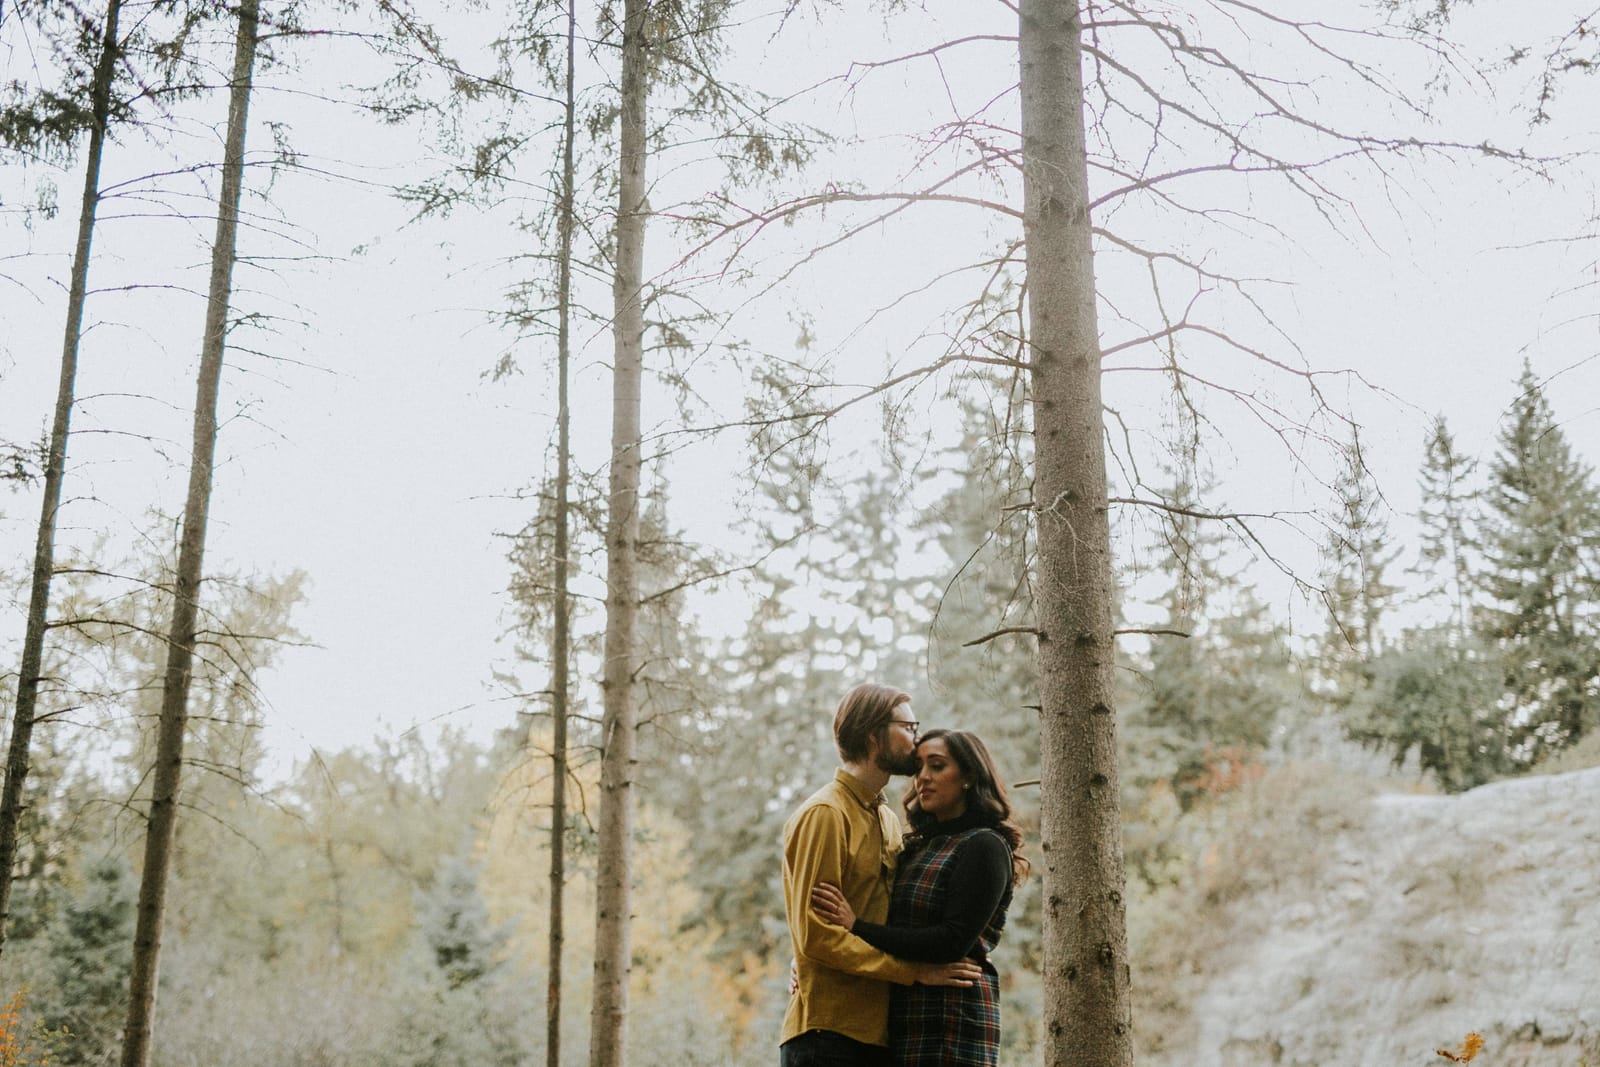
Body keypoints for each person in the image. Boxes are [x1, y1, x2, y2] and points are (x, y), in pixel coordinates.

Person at [781, 685, 983, 1067]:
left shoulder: (887, 821)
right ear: (874, 735)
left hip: (881, 1032)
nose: (916, 737)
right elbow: (816, 936)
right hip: (829, 1033)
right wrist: (912, 972)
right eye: (908, 726)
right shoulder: (826, 814)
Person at [810, 729, 1028, 1067]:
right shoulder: (917, 847)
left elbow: (950, 942)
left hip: (953, 1015)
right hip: (904, 1012)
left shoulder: (984, 846)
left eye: (937, 766)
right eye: (918, 769)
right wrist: (812, 960)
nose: (922, 778)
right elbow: (884, 914)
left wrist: (856, 927)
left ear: (969, 776)